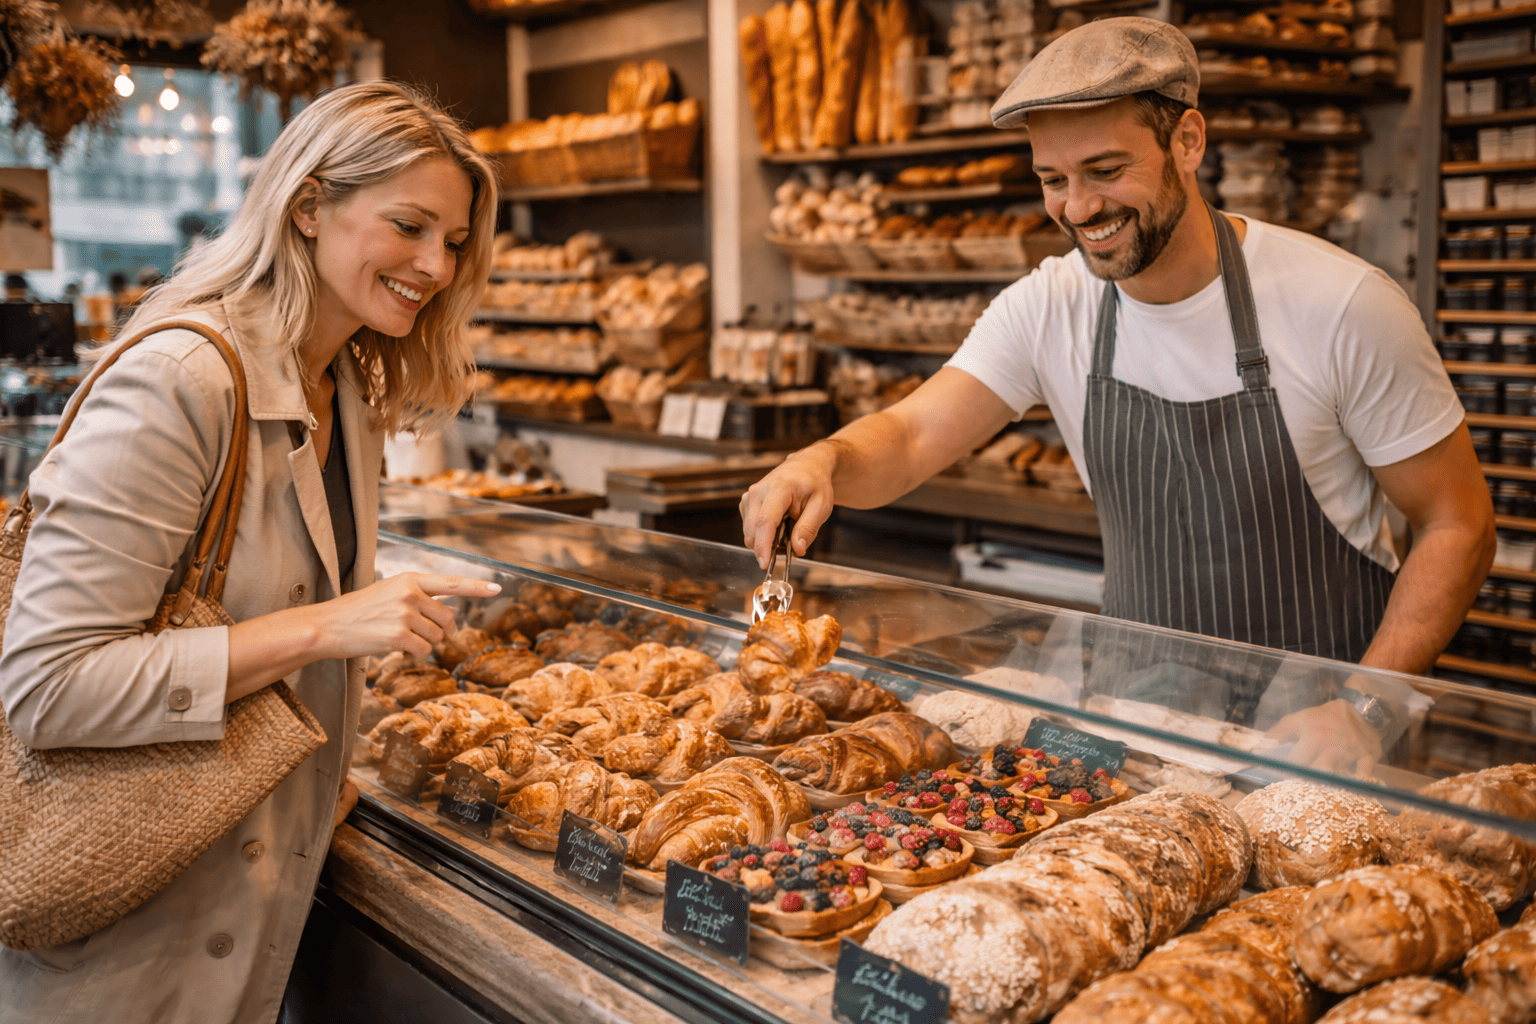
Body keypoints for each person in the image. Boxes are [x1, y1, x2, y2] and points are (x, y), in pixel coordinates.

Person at [741, 18, 1494, 774]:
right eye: (1052, 180)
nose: (1077, 209)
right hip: (1139, 730)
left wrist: (1366, 707)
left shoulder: (1340, 305)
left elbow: (1457, 525)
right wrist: (823, 461)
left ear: (1189, 141)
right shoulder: (1052, 307)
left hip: (1320, 750)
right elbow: (908, 438)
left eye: (1105, 170)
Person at [0, 81, 500, 1023]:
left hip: (241, 917)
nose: (436, 264)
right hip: (126, 953)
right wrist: (325, 627)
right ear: (308, 205)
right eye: (409, 225)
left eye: (457, 242)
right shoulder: (178, 380)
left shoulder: (345, 383)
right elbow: (47, 686)